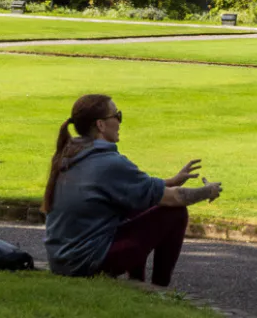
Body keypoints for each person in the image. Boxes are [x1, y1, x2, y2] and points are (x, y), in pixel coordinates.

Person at [42, 93, 221, 285]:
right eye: (117, 115)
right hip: (86, 263)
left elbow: (137, 189)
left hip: (62, 261)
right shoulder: (108, 163)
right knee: (175, 213)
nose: (119, 122)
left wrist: (171, 181)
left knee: (138, 204)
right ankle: (159, 288)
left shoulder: (71, 154)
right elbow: (175, 199)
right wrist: (208, 191)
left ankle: (137, 282)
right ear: (101, 125)